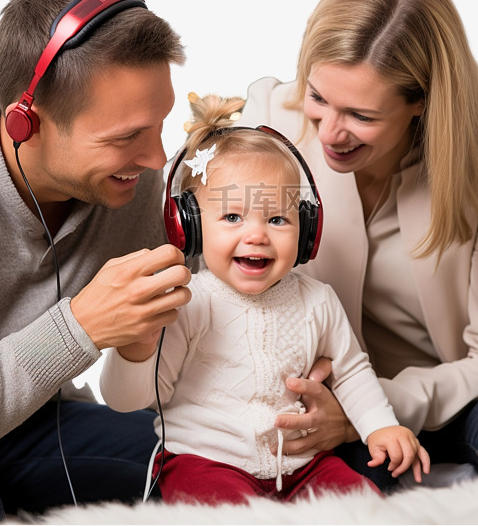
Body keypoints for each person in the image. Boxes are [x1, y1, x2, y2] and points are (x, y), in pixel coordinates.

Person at [236, 0, 478, 490]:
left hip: (461, 394)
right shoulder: (269, 122)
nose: (329, 131)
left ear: (422, 102)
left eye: (361, 115)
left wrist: (368, 411)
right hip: (320, 402)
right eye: (319, 98)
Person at [0, 0, 192, 523]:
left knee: (199, 462)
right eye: (126, 138)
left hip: (31, 423)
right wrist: (78, 329)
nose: (155, 160)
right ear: (27, 124)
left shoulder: (134, 183)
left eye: (159, 125)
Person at [99, 94, 430, 505]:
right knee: (227, 514)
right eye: (232, 217)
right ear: (190, 227)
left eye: (277, 219)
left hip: (304, 464)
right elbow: (133, 399)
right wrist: (134, 350)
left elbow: (351, 372)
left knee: (364, 506)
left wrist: (380, 426)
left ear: (306, 230)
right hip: (204, 462)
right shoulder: (186, 302)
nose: (256, 235)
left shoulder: (318, 301)